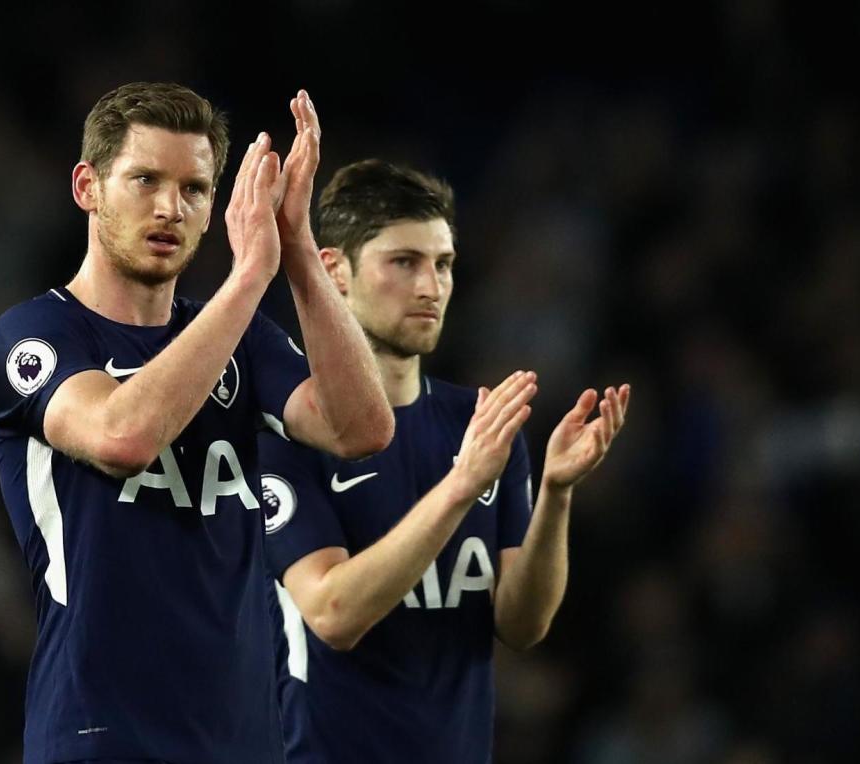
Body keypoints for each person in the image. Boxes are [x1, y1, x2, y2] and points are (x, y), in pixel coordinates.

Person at [0, 83, 394, 764]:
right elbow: (123, 438)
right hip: (101, 738)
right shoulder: (32, 336)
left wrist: (295, 253)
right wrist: (247, 280)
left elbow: (361, 428)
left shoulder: (242, 336)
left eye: (196, 189)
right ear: (87, 186)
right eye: (145, 179)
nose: (171, 206)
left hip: (245, 741)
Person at [260, 159, 631, 763]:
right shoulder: (290, 431)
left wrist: (556, 495)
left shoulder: (480, 428)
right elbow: (332, 612)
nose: (431, 287)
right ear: (335, 271)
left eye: (443, 264)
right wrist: (460, 486)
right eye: (403, 262)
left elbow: (523, 625)